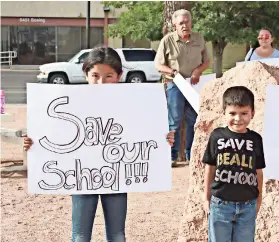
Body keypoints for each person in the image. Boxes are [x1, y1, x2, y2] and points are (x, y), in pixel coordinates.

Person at [23, 46, 176, 242]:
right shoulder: (70, 102)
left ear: (119, 75)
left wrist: (163, 140)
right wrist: (33, 142)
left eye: (108, 76)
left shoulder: (134, 103)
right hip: (82, 175)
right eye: (95, 75)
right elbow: (53, 133)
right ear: (86, 74)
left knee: (117, 234)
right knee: (80, 236)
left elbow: (145, 132)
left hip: (115, 175)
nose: (101, 82)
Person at [202, 86, 266, 242]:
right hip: (220, 204)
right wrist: (206, 197)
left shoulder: (255, 139)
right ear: (224, 112)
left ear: (252, 113)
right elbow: (210, 167)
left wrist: (259, 199)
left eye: (244, 113)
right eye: (232, 113)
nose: (238, 118)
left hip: (247, 205)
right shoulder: (217, 136)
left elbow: (258, 171)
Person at [155, 9, 210, 167]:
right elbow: (158, 65)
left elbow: (207, 61)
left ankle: (191, 155)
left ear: (191, 23)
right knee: (175, 122)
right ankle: (172, 157)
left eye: (187, 22)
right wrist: (172, 72)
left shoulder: (199, 38)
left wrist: (198, 70)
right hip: (175, 85)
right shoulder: (167, 41)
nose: (184, 25)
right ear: (174, 25)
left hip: (194, 85)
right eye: (181, 23)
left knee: (194, 120)